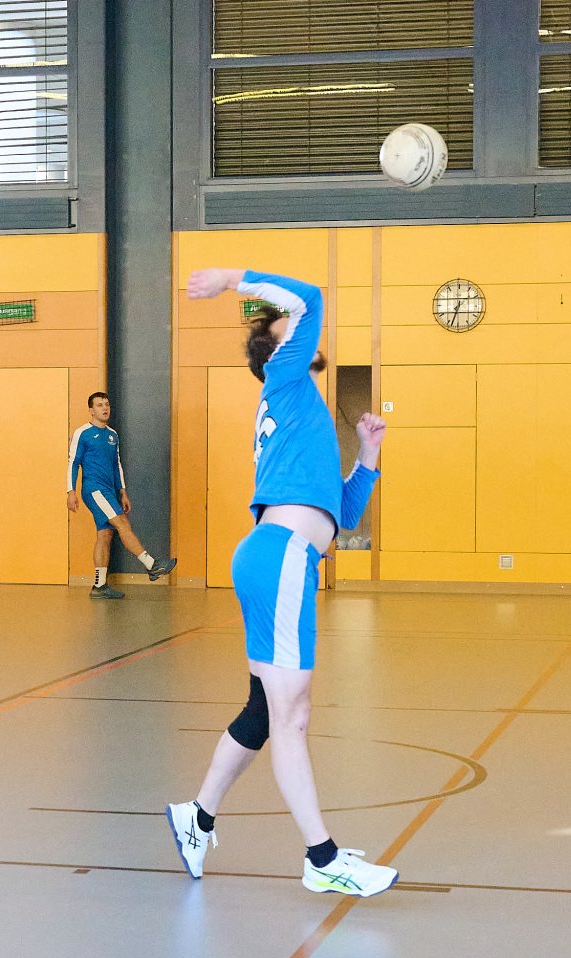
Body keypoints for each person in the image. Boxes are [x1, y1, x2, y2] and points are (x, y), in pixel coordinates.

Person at [166, 269, 398, 898]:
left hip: (277, 554)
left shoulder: (300, 408)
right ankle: (323, 859)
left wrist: (367, 455)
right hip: (283, 557)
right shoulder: (285, 376)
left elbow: (341, 516)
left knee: (265, 711)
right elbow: (310, 297)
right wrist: (231, 279)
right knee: (292, 717)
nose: (300, 325)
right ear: (277, 347)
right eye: (287, 325)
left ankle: (197, 817)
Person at [67, 392, 177, 598]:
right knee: (122, 523)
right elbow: (73, 462)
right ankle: (152, 565)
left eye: (106, 404)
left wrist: (122, 491)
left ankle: (99, 586)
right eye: (99, 405)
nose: (104, 408)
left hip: (109, 491)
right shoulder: (83, 433)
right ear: (91, 410)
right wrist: (70, 491)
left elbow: (116, 465)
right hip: (94, 489)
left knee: (105, 535)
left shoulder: (112, 435)